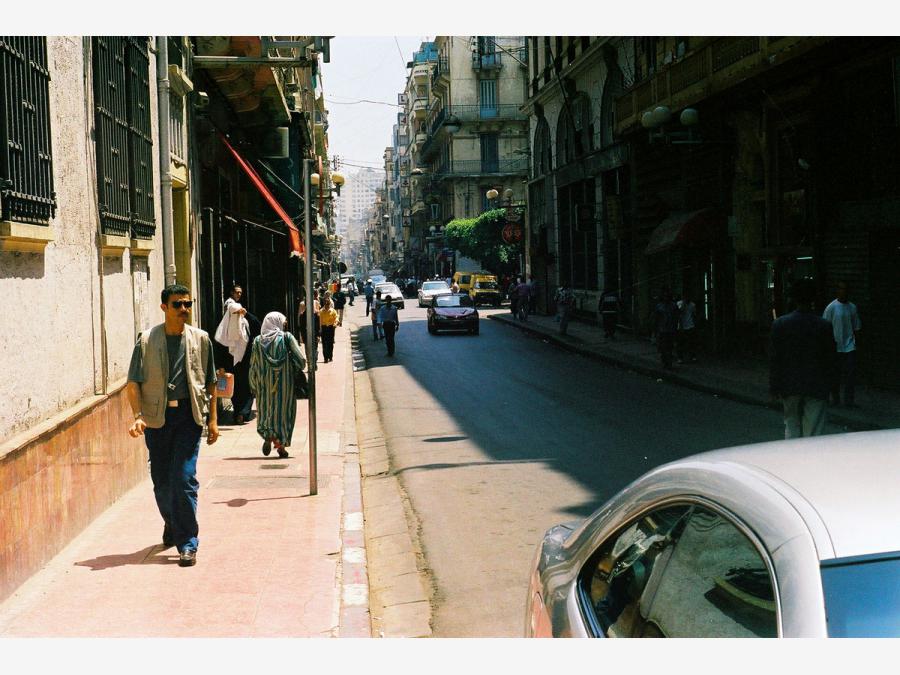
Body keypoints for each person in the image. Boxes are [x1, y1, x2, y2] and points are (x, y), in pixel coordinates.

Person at [126, 284, 218, 567]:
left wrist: (213, 421)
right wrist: (138, 415)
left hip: (188, 418)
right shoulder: (146, 341)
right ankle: (173, 521)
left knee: (184, 478)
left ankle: (187, 543)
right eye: (177, 305)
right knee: (162, 483)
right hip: (157, 420)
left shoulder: (201, 340)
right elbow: (133, 383)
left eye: (187, 304)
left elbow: (211, 382)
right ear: (164, 307)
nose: (184, 310)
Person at [770, 279, 836, 439]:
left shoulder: (780, 324)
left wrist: (774, 386)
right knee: (813, 431)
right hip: (816, 384)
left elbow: (775, 358)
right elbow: (830, 359)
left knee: (791, 425)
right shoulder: (824, 326)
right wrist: (833, 387)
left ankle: (792, 458)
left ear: (793, 299)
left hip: (789, 383)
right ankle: (810, 460)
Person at [249, 311, 307, 459]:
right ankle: (280, 445)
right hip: (284, 386)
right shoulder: (286, 338)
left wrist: (253, 385)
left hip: (264, 386)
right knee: (284, 414)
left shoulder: (257, 341)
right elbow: (300, 360)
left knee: (267, 412)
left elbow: (253, 365)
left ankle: (269, 435)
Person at [823, 281, 861, 407]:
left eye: (845, 289)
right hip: (836, 346)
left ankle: (848, 400)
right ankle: (836, 399)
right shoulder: (831, 307)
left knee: (850, 375)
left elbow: (856, 327)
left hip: (849, 345)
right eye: (841, 289)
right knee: (835, 375)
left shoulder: (852, 307)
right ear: (837, 291)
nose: (843, 292)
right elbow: (825, 326)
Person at [654, 288, 679, 369]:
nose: (666, 297)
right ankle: (665, 361)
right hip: (662, 329)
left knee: (669, 347)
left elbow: (676, 317)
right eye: (665, 296)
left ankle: (668, 363)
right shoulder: (659, 306)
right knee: (663, 347)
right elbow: (656, 319)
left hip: (670, 329)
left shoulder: (673, 306)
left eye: (667, 296)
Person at [298, 288, 320, 366]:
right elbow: (300, 322)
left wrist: (318, 334)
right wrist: (301, 334)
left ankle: (314, 361)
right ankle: (310, 363)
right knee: (308, 349)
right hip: (306, 332)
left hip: (314, 331)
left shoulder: (316, 303)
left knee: (314, 348)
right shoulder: (302, 306)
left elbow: (318, 320)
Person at [676, 294, 698, 362]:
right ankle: (680, 357)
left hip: (690, 325)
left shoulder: (692, 305)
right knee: (680, 343)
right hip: (681, 326)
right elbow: (679, 313)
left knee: (691, 342)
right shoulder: (679, 303)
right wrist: (683, 305)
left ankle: (692, 356)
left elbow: (694, 314)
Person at [319, 295, 339, 363]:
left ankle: (330, 356)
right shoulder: (321, 311)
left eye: (328, 304)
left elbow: (336, 317)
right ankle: (325, 358)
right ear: (324, 304)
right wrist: (320, 330)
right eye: (326, 304)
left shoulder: (333, 311)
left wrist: (335, 323)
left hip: (331, 328)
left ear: (330, 304)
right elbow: (320, 321)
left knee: (330, 343)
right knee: (324, 343)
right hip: (324, 328)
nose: (327, 305)